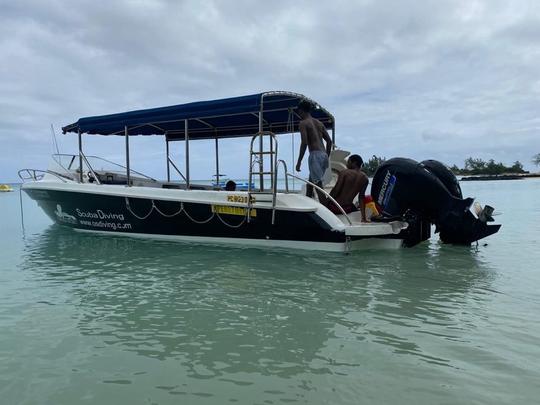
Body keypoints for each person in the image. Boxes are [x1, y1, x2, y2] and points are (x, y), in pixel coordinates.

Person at [295, 99, 332, 202]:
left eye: (299, 111)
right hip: (323, 155)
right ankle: (307, 204)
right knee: (310, 184)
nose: (298, 114)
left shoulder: (303, 123)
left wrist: (299, 162)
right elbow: (329, 141)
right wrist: (327, 157)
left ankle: (326, 210)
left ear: (302, 110)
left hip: (315, 155)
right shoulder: (319, 123)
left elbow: (304, 143)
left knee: (318, 186)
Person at [326, 154, 369, 221]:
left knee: (323, 202)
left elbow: (336, 190)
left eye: (348, 162)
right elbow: (361, 197)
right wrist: (364, 218)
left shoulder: (344, 173)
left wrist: (327, 201)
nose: (347, 164)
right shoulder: (365, 178)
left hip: (335, 208)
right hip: (347, 209)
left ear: (354, 163)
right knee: (353, 205)